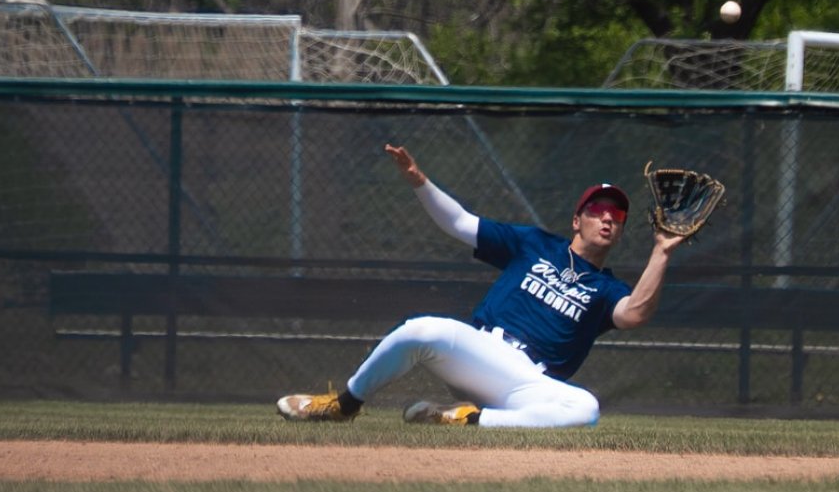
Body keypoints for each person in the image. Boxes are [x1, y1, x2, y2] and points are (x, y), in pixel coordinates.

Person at [276, 143, 685, 427]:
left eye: (617, 214)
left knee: (586, 408)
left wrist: (662, 250)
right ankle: (343, 406)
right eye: (598, 209)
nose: (608, 217)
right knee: (422, 329)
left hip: (526, 385)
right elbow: (460, 223)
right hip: (482, 350)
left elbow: (634, 313)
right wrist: (420, 181)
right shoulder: (534, 243)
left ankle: (466, 419)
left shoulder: (605, 288)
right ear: (577, 220)